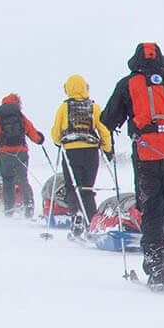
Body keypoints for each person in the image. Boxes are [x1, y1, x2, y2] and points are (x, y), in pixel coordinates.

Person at [102, 42, 164, 289]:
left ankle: (157, 266)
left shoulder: (127, 83)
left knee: (151, 209)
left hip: (147, 153)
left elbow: (108, 118)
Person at [49, 75, 113, 228]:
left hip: (71, 152)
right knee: (87, 187)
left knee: (72, 186)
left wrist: (58, 142)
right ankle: (91, 221)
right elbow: (103, 129)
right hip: (91, 152)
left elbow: (56, 132)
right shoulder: (94, 107)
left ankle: (76, 214)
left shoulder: (64, 108)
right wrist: (107, 149)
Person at [0, 93, 45, 217]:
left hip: (4, 154)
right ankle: (29, 206)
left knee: (7, 180)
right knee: (23, 179)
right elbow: (32, 133)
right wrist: (39, 139)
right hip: (21, 152)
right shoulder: (21, 118)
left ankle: (9, 209)